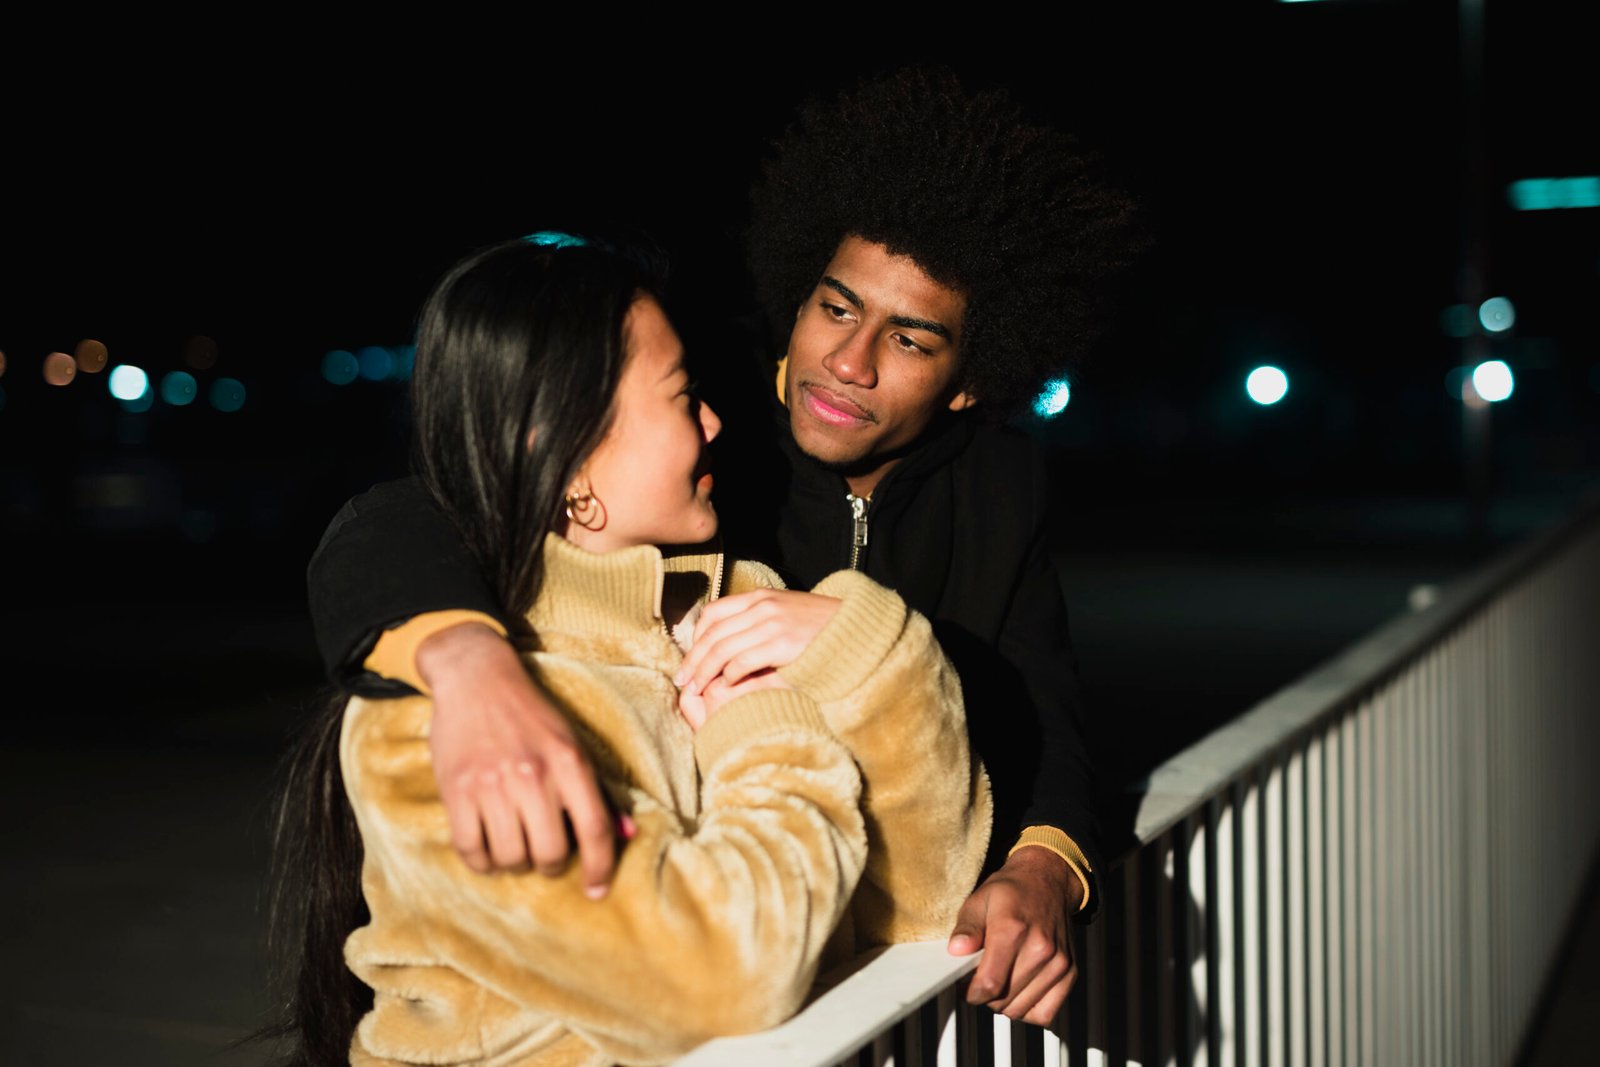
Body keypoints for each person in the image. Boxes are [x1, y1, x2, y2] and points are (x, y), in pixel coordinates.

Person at [307, 66, 1144, 1028]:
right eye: (836, 307)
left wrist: (1047, 865)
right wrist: (464, 658)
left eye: (910, 341)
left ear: (969, 379)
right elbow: (422, 504)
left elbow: (1043, 701)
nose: (849, 361)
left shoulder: (1003, 482)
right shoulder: (706, 425)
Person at [265, 233, 992, 1066]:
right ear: (565, 452)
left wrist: (874, 646)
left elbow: (923, 905)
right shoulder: (461, 728)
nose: (716, 420)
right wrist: (764, 731)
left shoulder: (741, 604)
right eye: (682, 396)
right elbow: (726, 977)